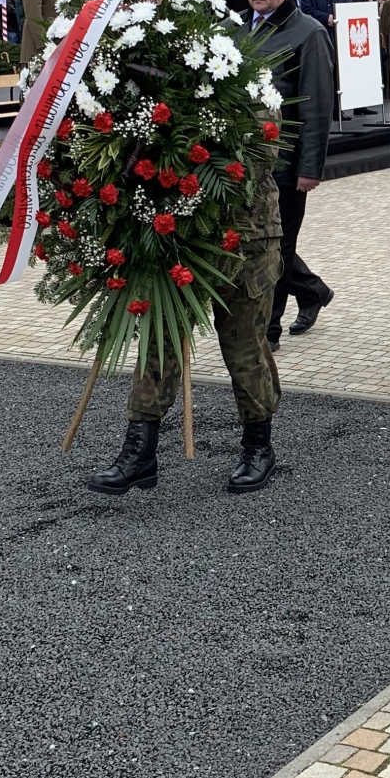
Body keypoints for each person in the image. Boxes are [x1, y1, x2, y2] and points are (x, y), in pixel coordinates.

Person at [89, 106, 286, 501]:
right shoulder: (162, 91)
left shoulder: (251, 86)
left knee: (244, 344)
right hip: (178, 239)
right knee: (159, 338)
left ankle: (258, 446)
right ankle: (140, 451)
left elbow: (262, 150)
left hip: (245, 239)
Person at [241, 0, 336, 347]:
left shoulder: (309, 33)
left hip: (284, 163)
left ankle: (269, 330)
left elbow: (317, 104)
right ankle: (312, 290)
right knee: (255, 241)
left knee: (277, 246)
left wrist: (309, 167)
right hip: (242, 164)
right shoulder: (239, 29)